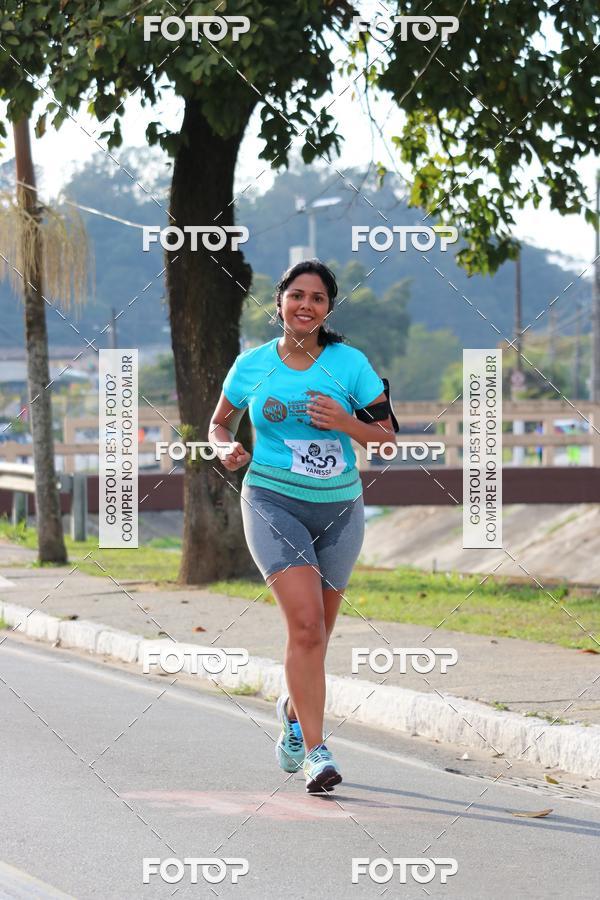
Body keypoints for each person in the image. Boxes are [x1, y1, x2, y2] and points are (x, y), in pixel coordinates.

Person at [208, 259, 395, 793]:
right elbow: (219, 422)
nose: (305, 305)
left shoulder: (350, 363)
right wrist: (225, 447)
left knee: (317, 637)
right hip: (271, 501)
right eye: (296, 295)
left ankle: (292, 710)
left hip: (339, 509)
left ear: (328, 309)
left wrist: (344, 422)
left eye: (316, 297)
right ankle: (318, 752)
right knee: (307, 627)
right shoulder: (251, 365)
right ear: (280, 302)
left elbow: (386, 440)